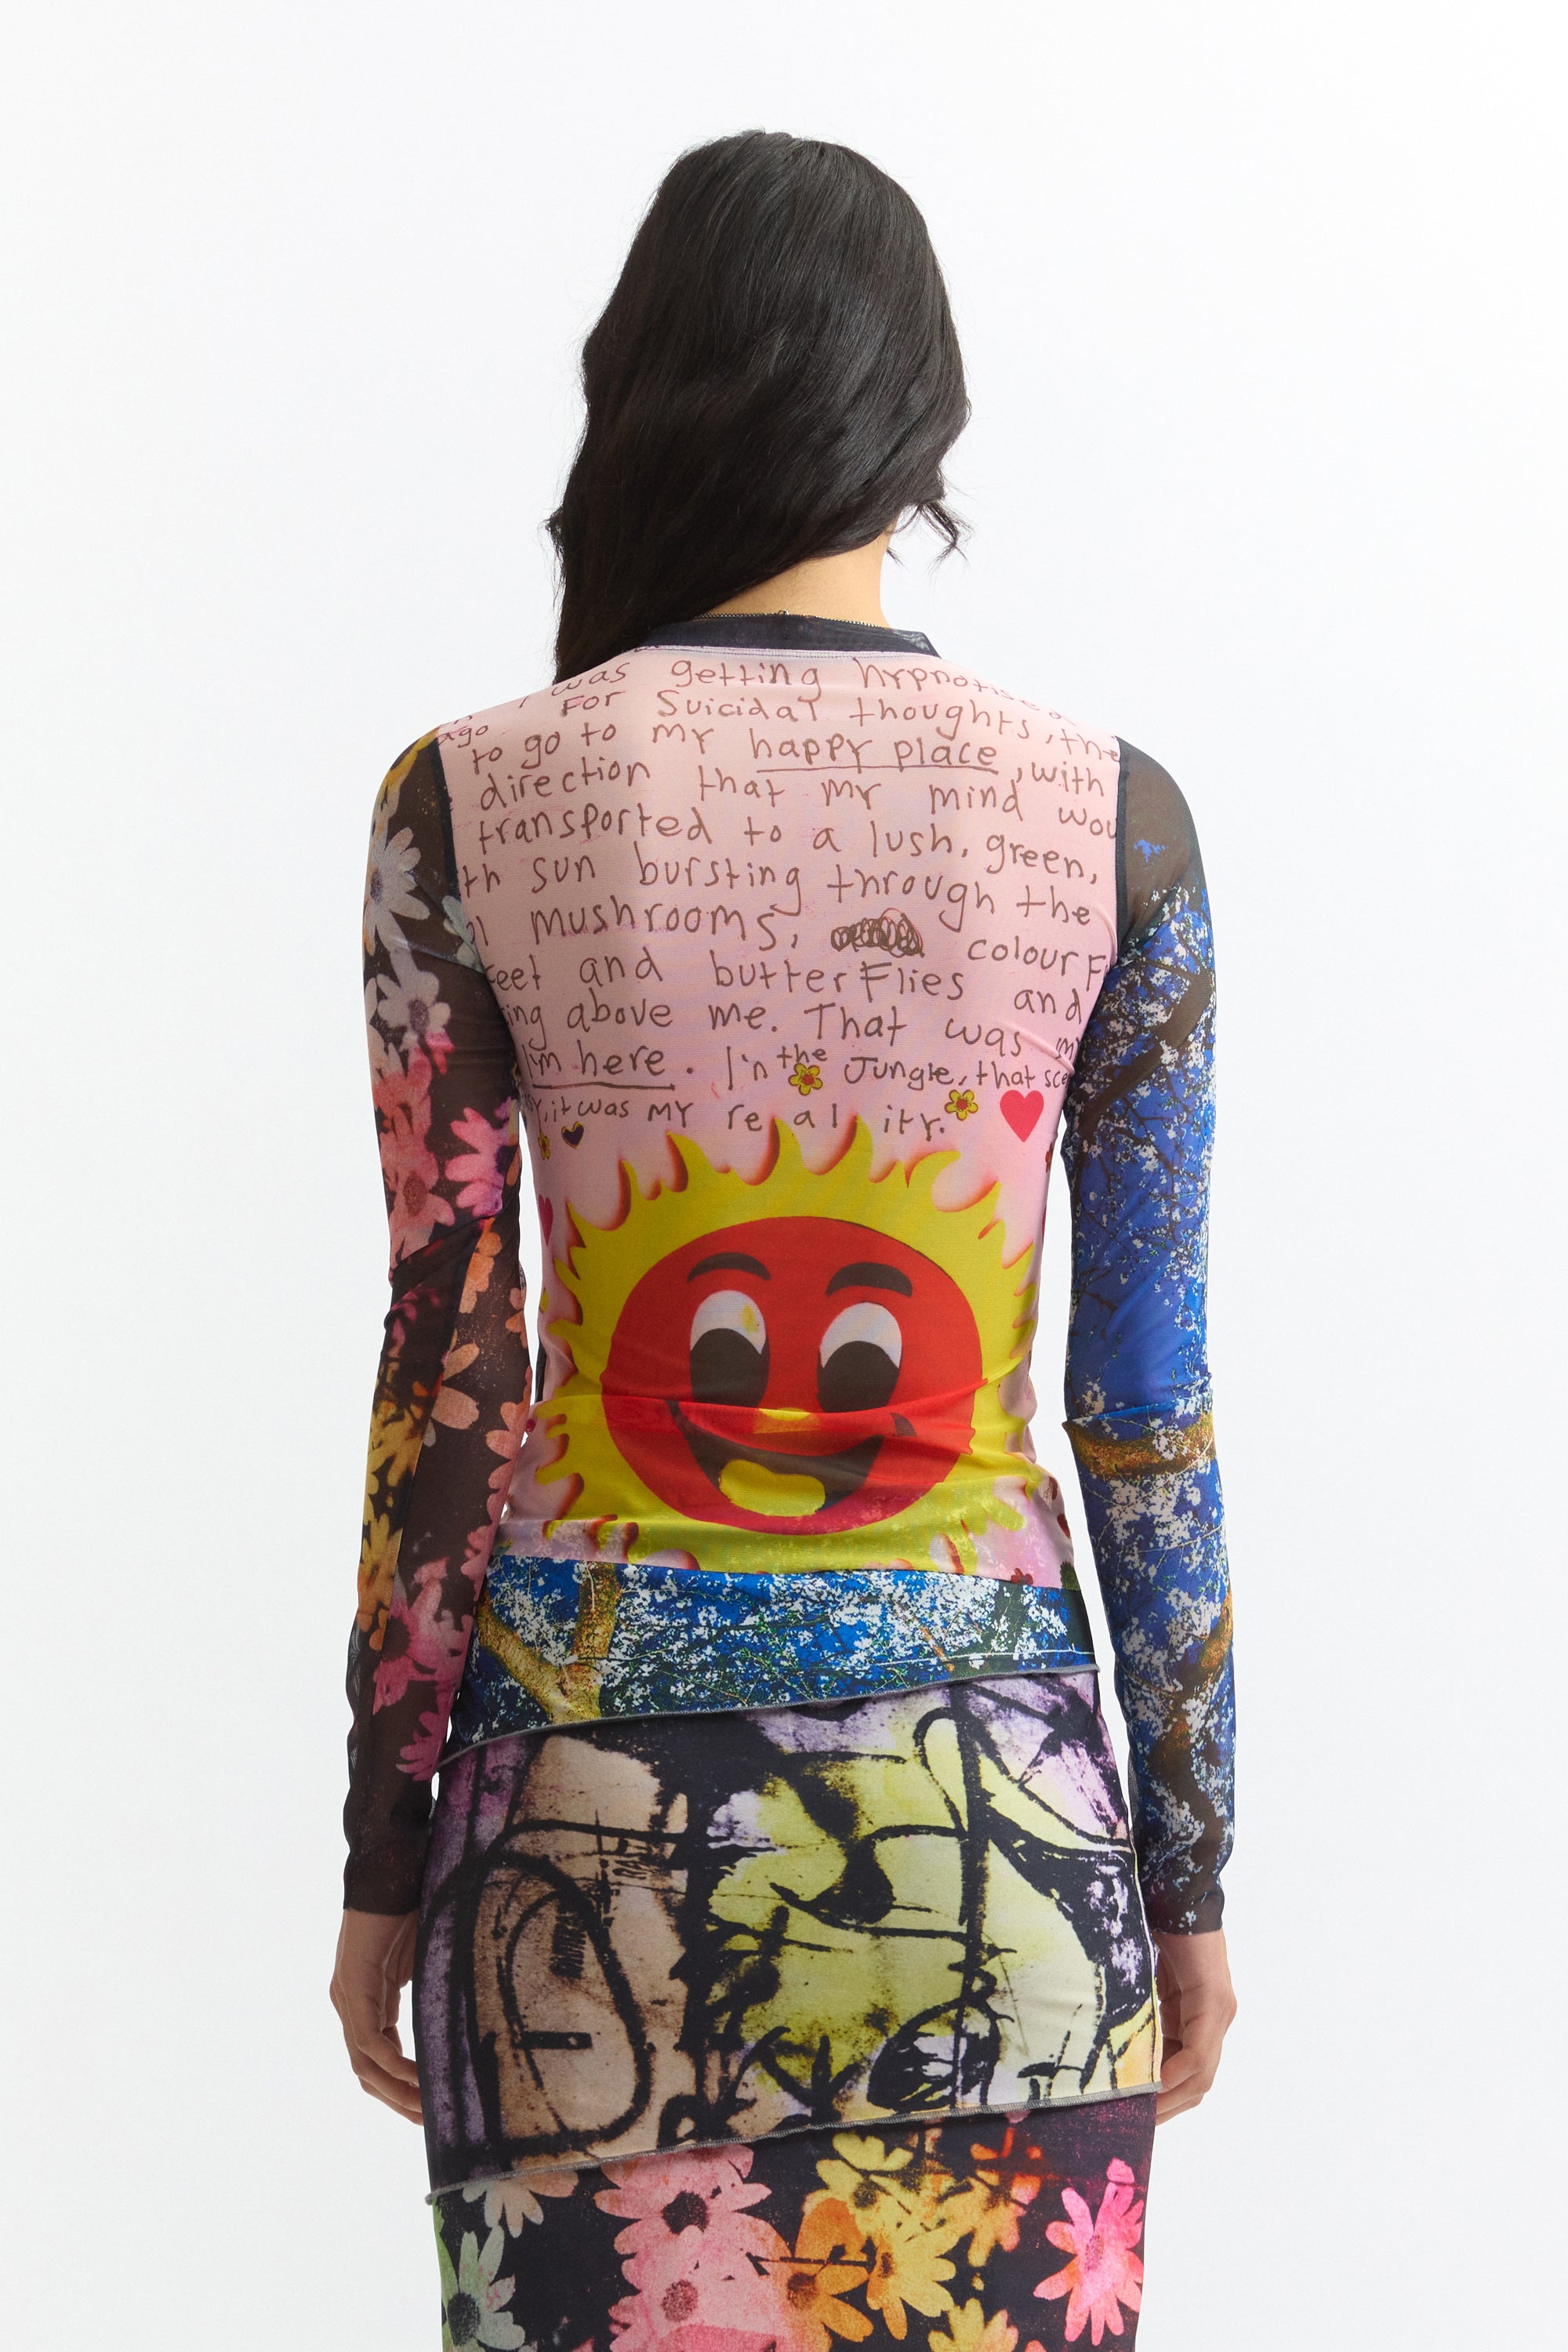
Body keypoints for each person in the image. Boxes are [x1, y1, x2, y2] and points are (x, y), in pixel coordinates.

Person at [330, 129, 1236, 2350]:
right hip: (1000, 1858)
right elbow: (1144, 1412)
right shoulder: (1111, 822)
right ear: (922, 421)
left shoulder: (468, 801)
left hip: (581, 1866)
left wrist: (385, 1842)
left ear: (637, 392)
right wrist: (1191, 1862)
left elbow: (452, 1371)